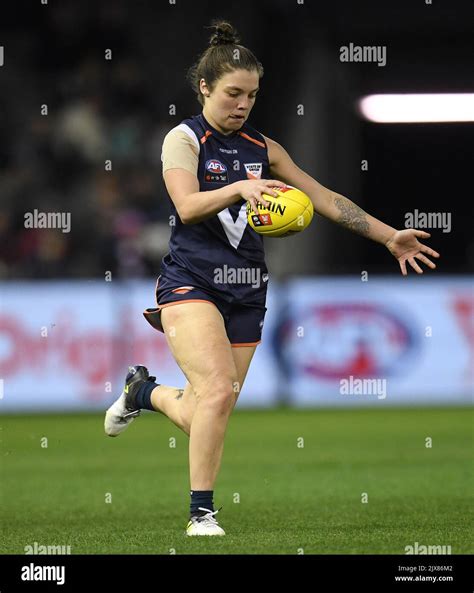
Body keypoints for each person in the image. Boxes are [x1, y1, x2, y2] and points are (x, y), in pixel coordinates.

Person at [104, 20, 440, 536]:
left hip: (248, 290)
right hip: (190, 281)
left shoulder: (265, 148)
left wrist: (387, 235)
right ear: (205, 88)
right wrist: (240, 188)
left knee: (205, 414)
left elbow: (326, 199)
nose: (242, 104)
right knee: (216, 393)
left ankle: (142, 391)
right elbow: (187, 206)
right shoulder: (185, 138)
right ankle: (201, 513)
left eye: (252, 95)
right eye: (233, 93)